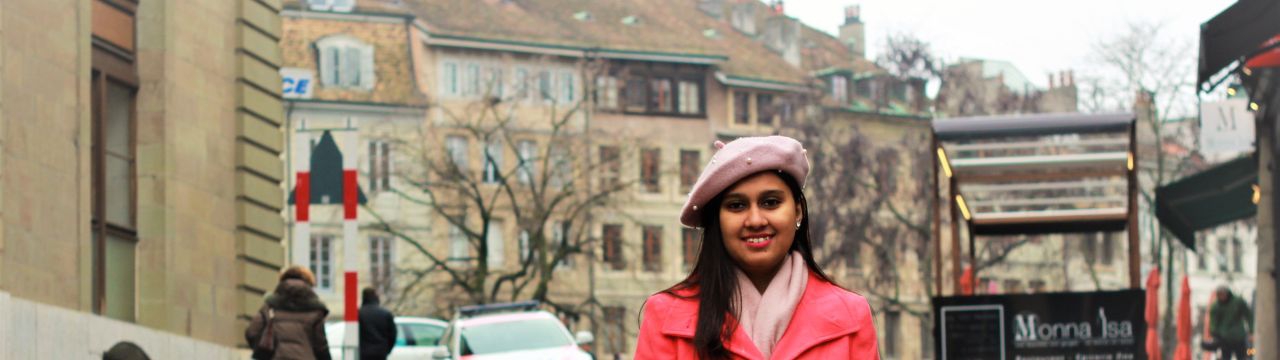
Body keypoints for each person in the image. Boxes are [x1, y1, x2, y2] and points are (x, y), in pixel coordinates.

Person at [634, 136, 879, 359]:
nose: (755, 220)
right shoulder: (665, 315)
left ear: (797, 211)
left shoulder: (851, 316)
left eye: (771, 202)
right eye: (737, 206)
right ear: (717, 220)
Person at [246, 266, 332, 360]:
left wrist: (264, 352)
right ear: (309, 283)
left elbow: (251, 332)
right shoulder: (315, 309)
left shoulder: (270, 305)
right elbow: (321, 346)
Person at [1207, 286, 1253, 360]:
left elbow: (1248, 315)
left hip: (1239, 337)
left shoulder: (1238, 302)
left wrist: (1251, 330)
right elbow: (1213, 323)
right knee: (1225, 357)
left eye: (1223, 294)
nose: (1222, 296)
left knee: (1242, 356)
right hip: (1224, 338)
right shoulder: (1216, 306)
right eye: (1219, 294)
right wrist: (1214, 335)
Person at [358, 287, 398, 360]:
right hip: (380, 353)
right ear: (376, 297)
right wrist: (387, 350)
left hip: (363, 353)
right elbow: (393, 334)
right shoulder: (385, 313)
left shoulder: (359, 313)